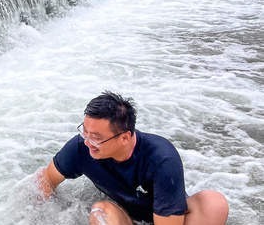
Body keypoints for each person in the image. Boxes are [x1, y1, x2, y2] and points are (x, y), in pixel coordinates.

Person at [37, 91, 229, 225]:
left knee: (213, 203)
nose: (87, 141)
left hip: (170, 218)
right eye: (85, 131)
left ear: (125, 137)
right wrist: (46, 216)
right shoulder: (80, 148)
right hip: (124, 216)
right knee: (101, 211)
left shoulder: (162, 158)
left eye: (96, 138)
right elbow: (45, 181)